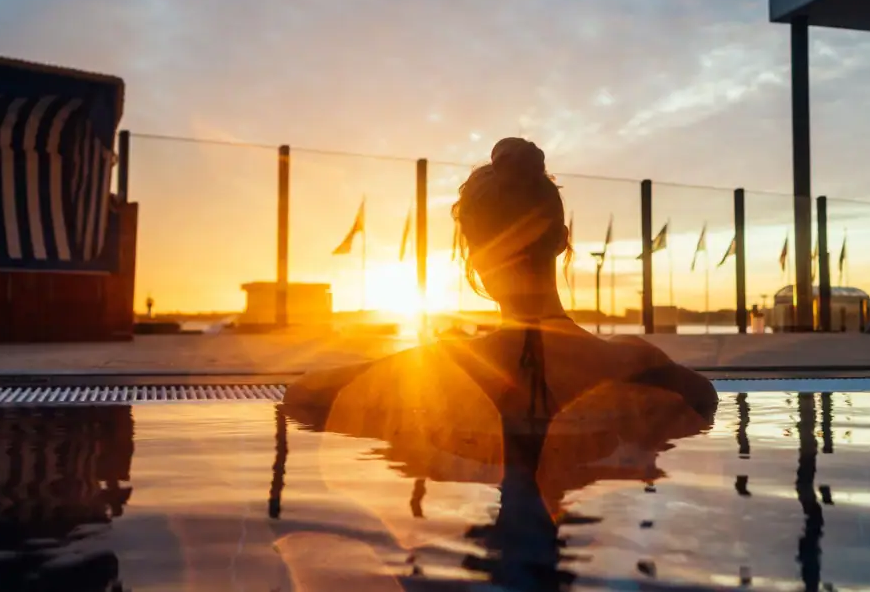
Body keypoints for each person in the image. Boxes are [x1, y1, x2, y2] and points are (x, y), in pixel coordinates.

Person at [284, 137, 718, 422]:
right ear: (561, 241)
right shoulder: (634, 363)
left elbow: (304, 393)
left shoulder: (446, 366)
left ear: (474, 254)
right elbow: (705, 397)